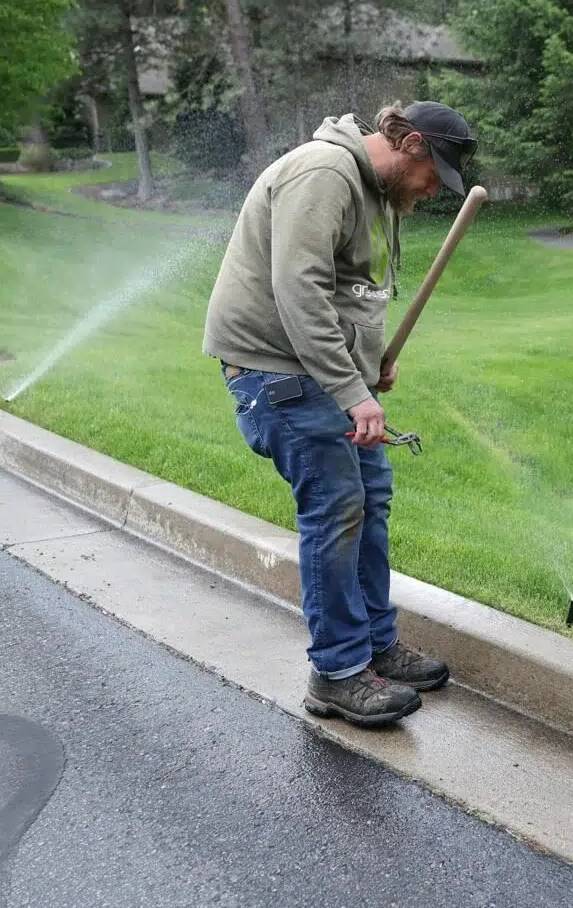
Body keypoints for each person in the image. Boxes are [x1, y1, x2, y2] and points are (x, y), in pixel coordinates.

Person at [202, 101, 476, 728]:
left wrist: (370, 364)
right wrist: (352, 391)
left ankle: (377, 646)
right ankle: (338, 671)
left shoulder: (374, 193)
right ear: (408, 145)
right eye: (435, 174)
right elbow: (297, 290)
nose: (435, 190)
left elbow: (350, 291)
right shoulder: (324, 173)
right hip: (277, 373)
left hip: (322, 373)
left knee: (369, 500)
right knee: (337, 507)